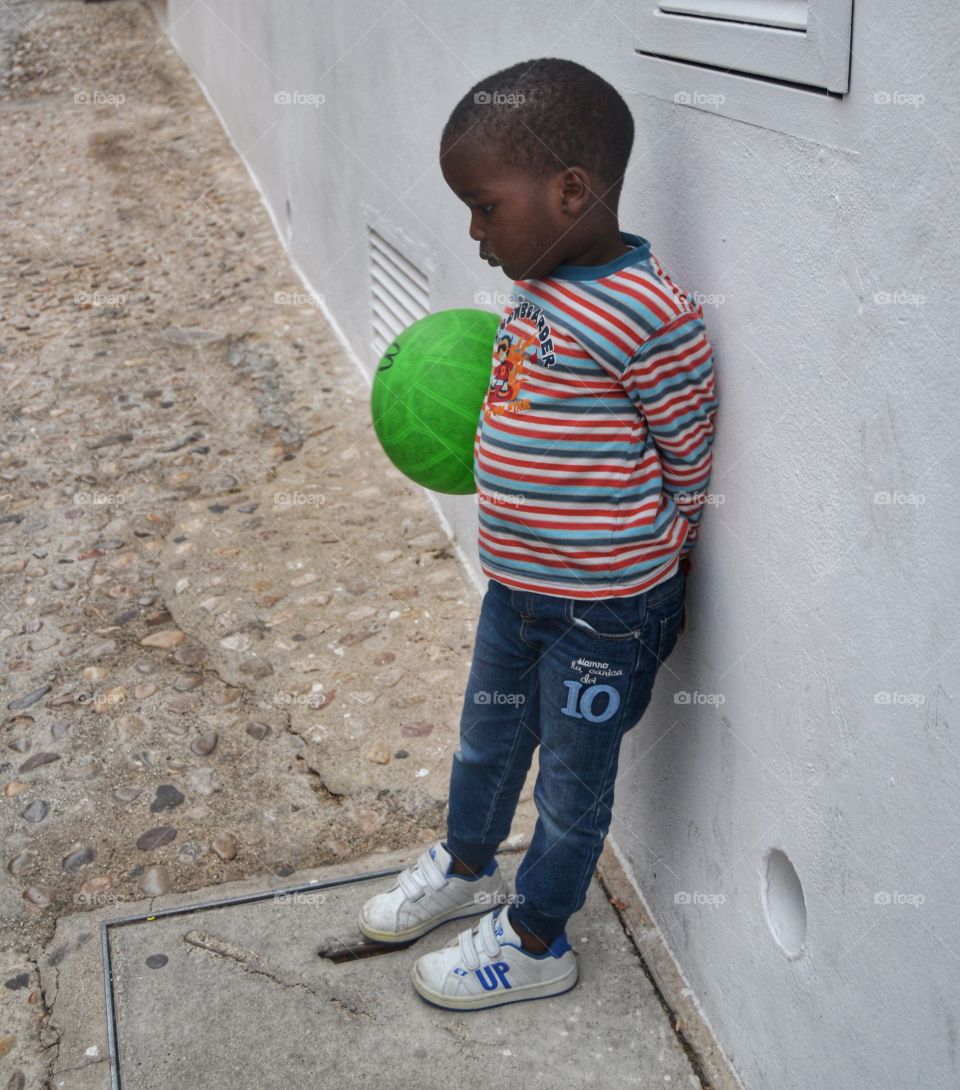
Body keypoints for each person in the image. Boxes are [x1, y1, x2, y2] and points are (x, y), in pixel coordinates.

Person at [359, 57, 719, 1012]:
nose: (474, 231)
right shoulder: (536, 283)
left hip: (604, 613)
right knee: (485, 742)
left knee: (570, 783)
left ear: (570, 191)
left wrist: (662, 574)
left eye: (484, 207)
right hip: (516, 591)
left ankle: (534, 939)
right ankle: (469, 863)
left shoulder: (651, 314)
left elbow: (687, 456)